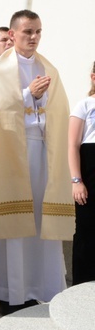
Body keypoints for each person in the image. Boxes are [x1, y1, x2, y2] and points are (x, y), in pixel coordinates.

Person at [0, 10, 72, 315]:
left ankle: (36, 288)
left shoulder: (49, 68)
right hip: (12, 153)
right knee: (17, 224)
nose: (33, 38)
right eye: (28, 32)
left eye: (38, 32)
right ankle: (11, 293)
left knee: (39, 222)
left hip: (43, 151)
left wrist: (42, 100)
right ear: (12, 34)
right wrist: (28, 94)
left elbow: (59, 110)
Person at [68, 61, 95, 285]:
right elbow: (72, 145)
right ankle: (83, 286)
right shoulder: (85, 105)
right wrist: (77, 181)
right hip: (89, 171)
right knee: (86, 228)